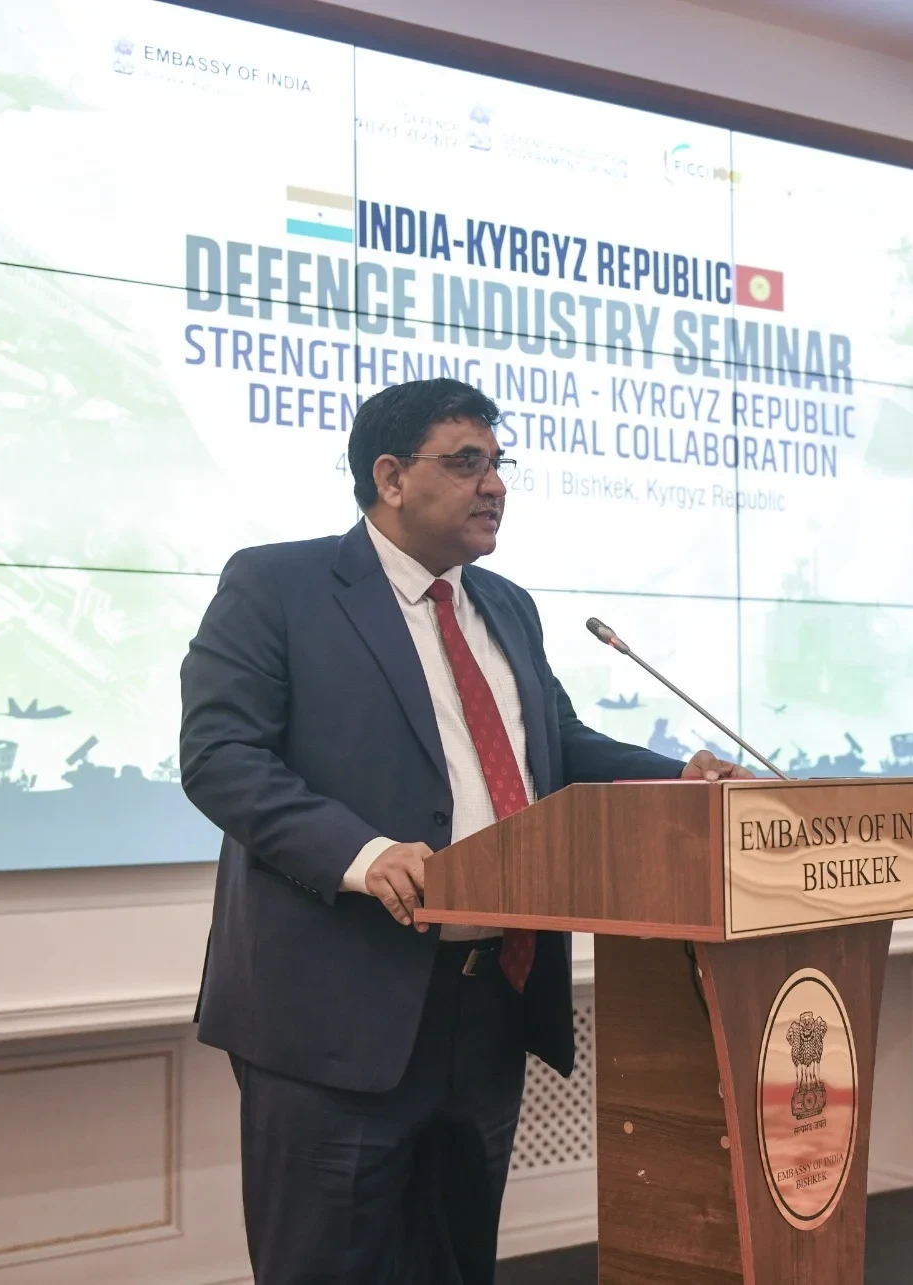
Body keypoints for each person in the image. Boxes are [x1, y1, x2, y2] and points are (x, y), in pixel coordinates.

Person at [179, 378, 747, 1285]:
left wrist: (676, 778)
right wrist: (362, 854)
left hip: (486, 1004)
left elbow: (555, 744)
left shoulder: (506, 605)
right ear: (391, 476)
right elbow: (220, 755)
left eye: (498, 462)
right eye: (466, 462)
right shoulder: (278, 585)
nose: (495, 484)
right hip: (338, 1012)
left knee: (454, 1265)